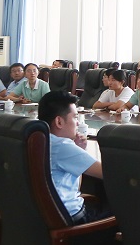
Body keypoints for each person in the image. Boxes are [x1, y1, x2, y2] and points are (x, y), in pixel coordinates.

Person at [38, 91, 106, 223]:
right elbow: (109, 174)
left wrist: (79, 150)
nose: (78, 123)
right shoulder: (62, 146)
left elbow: (75, 188)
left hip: (47, 218)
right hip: (72, 222)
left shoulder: (40, 140)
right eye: (75, 117)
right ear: (59, 121)